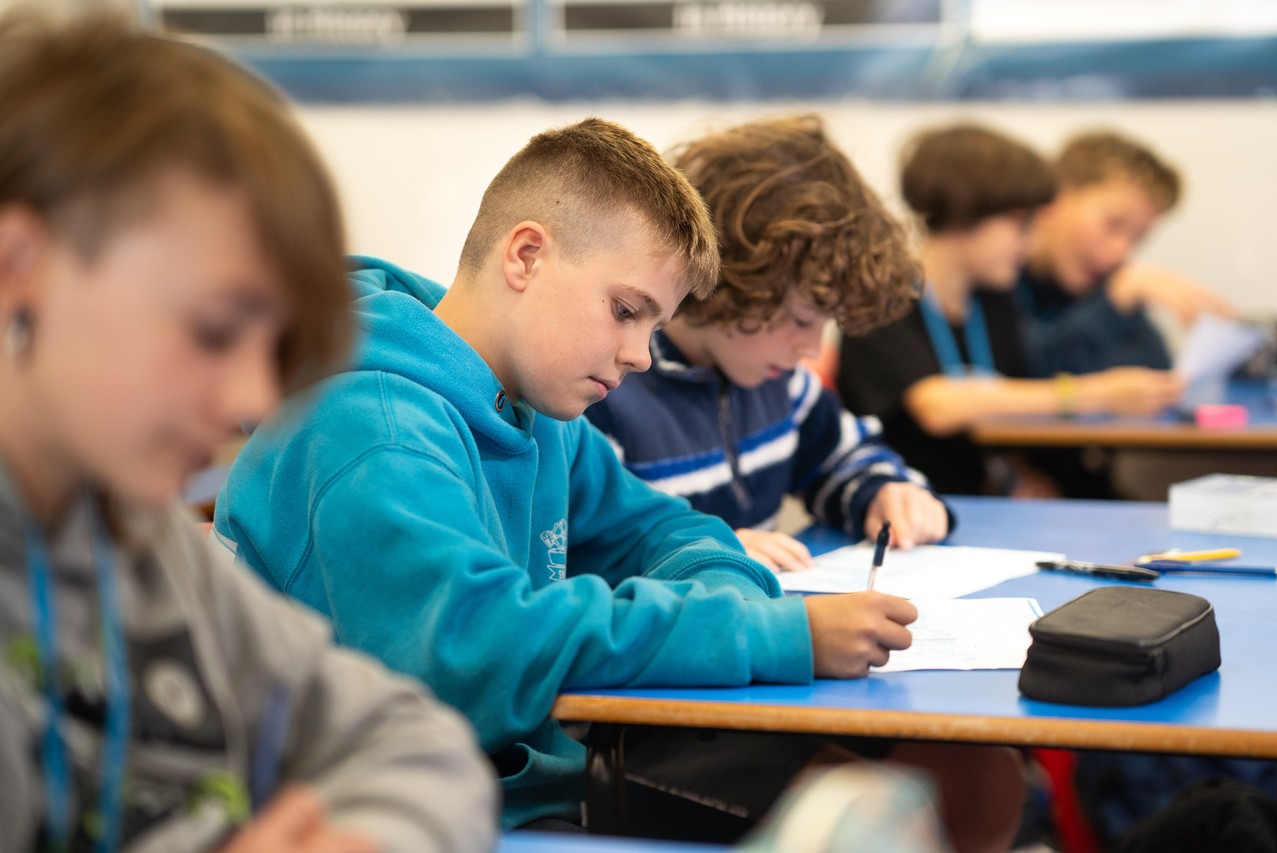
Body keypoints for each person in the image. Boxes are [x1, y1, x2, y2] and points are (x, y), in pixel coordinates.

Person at [211, 117, 1002, 842]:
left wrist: (729, 588)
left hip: (519, 773)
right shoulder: (374, 427)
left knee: (946, 780)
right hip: (388, 812)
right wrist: (777, 634)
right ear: (526, 255)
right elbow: (480, 647)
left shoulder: (535, 403)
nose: (641, 355)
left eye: (655, 324)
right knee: (880, 803)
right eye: (627, 310)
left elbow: (659, 528)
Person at [0, 14, 496, 852]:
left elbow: (414, 739)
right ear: (19, 266)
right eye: (213, 328)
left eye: (274, 348)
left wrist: (366, 837)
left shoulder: (144, 542)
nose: (252, 397)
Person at [583, 115, 948, 570]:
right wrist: (710, 549)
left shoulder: (782, 383)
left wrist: (889, 492)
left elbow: (846, 457)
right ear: (727, 282)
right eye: (799, 319)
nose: (812, 349)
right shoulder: (603, 391)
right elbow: (594, 551)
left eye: (824, 322)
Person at [838, 124, 1182, 496]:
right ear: (968, 210)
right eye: (1021, 225)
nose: (1030, 243)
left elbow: (1016, 392)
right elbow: (938, 406)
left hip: (984, 503)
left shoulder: (992, 302)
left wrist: (1019, 475)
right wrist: (1098, 394)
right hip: (900, 507)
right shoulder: (882, 301)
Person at [1016, 130, 1234, 378]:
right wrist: (1113, 301)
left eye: (1137, 238)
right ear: (1057, 197)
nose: (1122, 251)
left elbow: (1153, 365)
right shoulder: (1000, 273)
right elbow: (1026, 369)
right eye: (1114, 224)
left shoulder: (1103, 279)